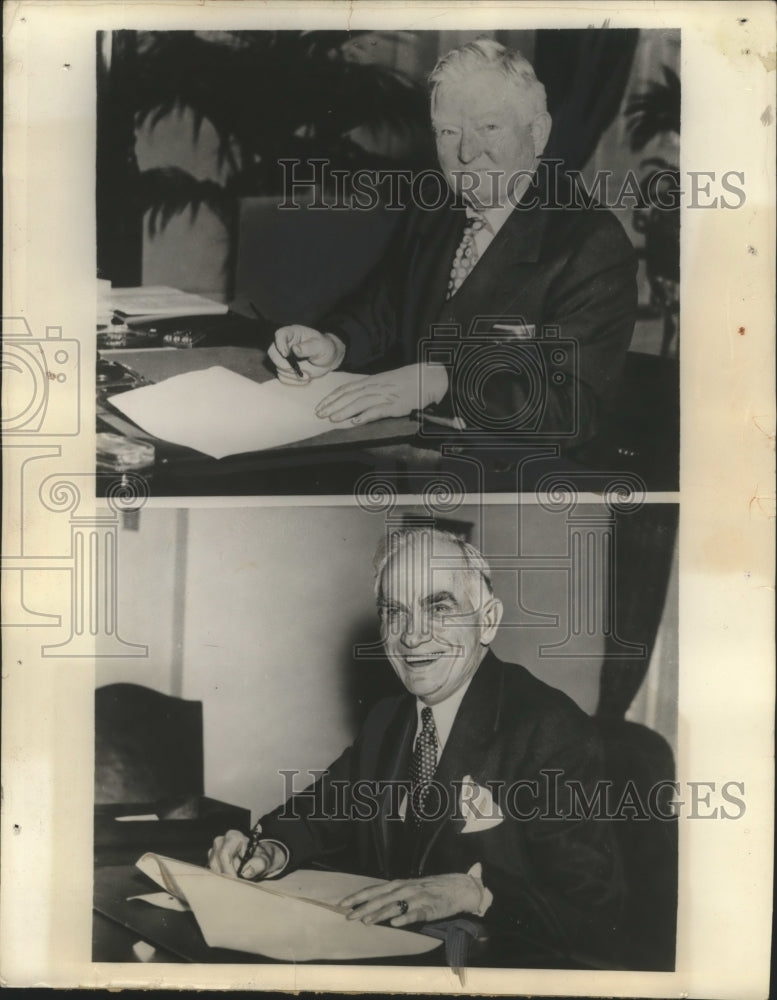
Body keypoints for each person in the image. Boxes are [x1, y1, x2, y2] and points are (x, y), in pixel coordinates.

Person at [210, 527, 624, 965]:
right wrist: (272, 848)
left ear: (487, 621)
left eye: (439, 608)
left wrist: (477, 893)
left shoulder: (550, 729)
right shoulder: (389, 718)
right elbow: (321, 812)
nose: (411, 636)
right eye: (395, 613)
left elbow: (597, 918)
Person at [266, 39, 638, 454]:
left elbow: (573, 406)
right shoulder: (437, 210)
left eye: (489, 127)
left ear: (537, 133)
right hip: (403, 456)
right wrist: (335, 343)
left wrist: (442, 381)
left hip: (506, 480)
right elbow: (383, 310)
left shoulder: (592, 244)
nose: (465, 152)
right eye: (448, 131)